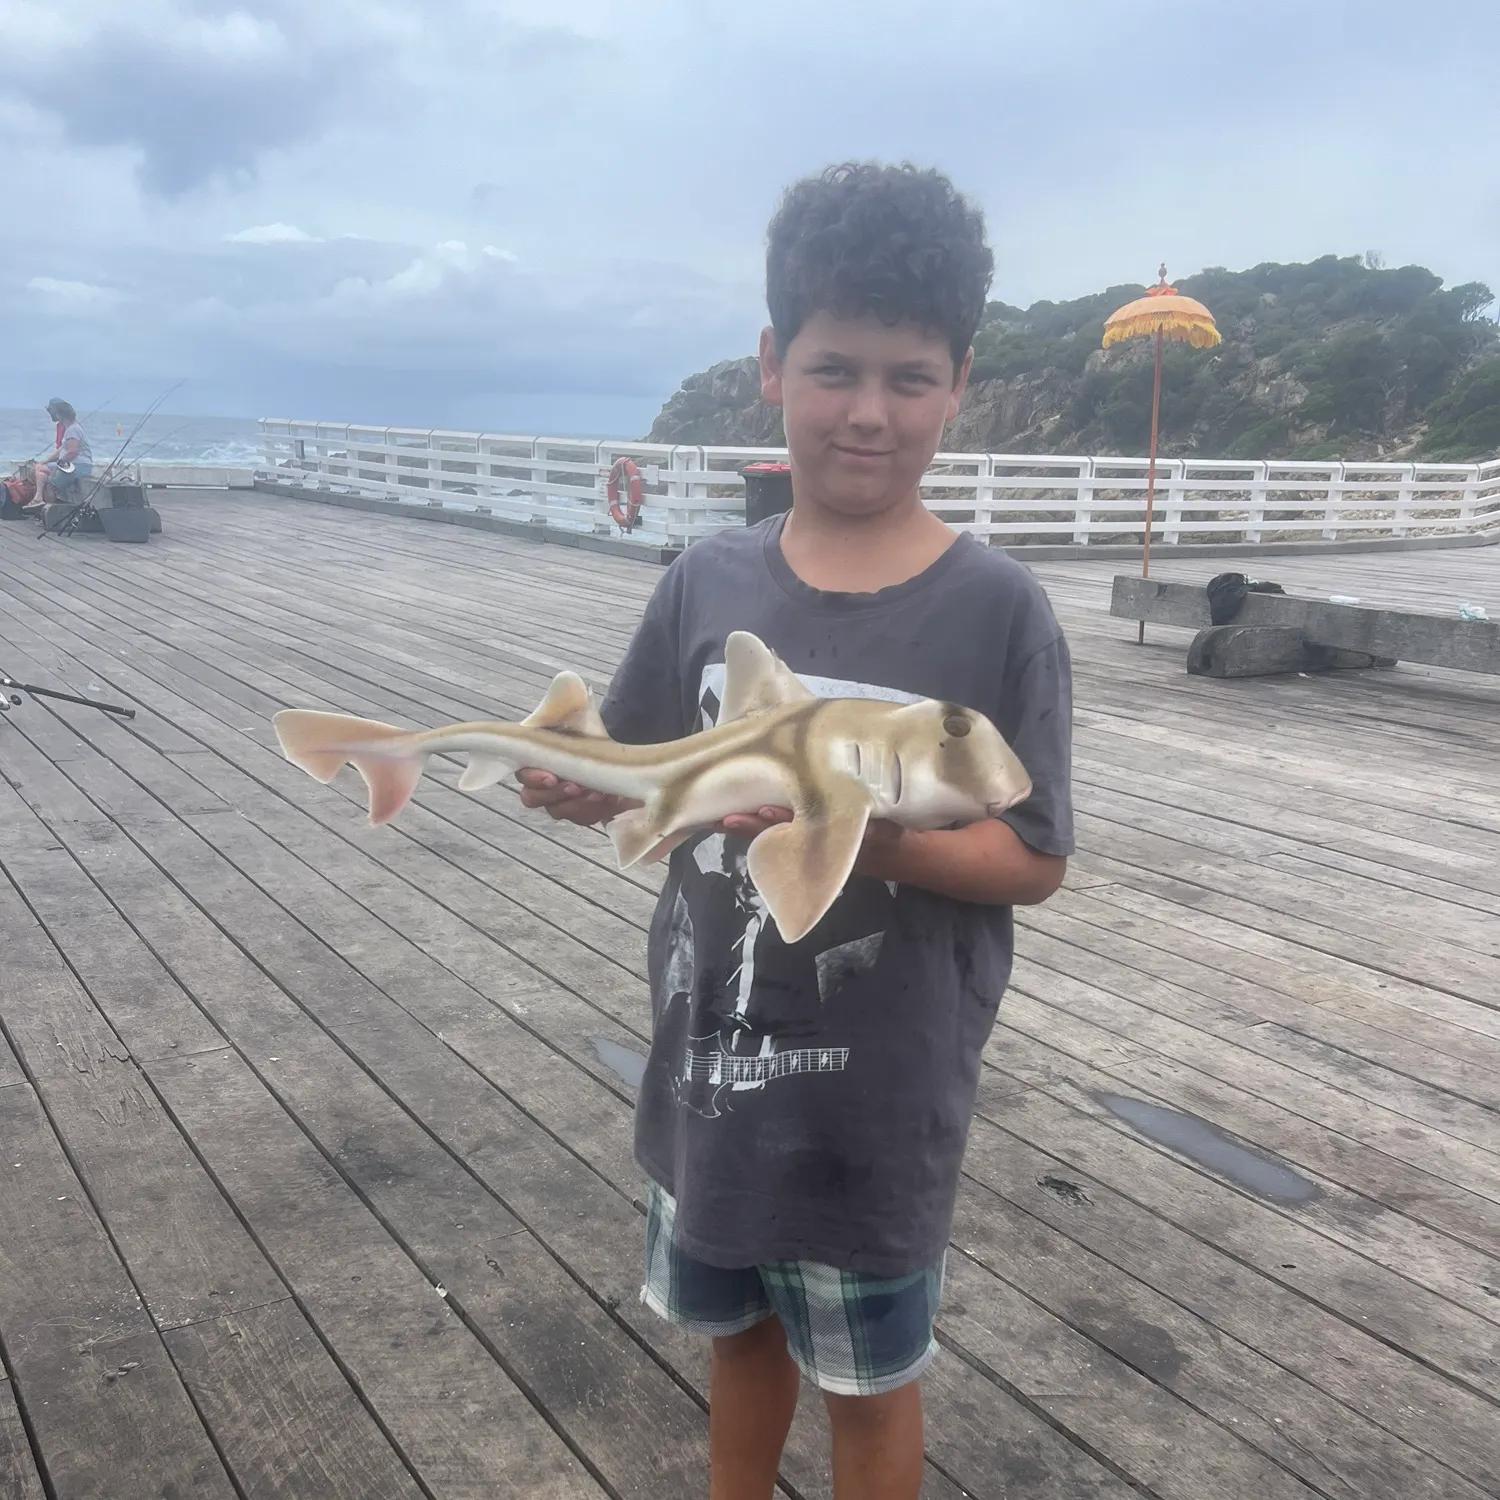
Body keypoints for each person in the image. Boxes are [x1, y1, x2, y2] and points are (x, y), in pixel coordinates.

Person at [519, 161, 1074, 1500]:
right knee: (742, 1343)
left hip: (881, 1103)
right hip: (713, 1067)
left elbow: (1035, 858)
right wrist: (584, 782)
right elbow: (643, 764)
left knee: (870, 1384)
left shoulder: (999, 610)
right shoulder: (705, 577)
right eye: (835, 370)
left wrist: (862, 834)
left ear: (958, 382)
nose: (869, 413)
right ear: (772, 365)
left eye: (907, 376)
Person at [28, 398, 93, 511]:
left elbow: (72, 452)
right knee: (40, 470)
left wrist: (59, 464)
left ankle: (49, 512)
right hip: (73, 465)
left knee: (50, 485)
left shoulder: (73, 429)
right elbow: (64, 450)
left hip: (77, 467)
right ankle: (39, 500)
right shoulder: (70, 429)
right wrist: (49, 461)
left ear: (60, 414)